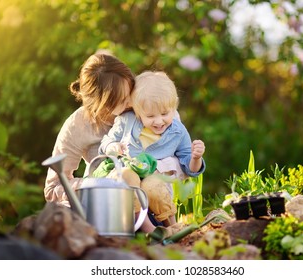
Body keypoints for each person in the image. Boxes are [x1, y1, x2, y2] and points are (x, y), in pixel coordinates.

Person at [99, 71, 206, 233]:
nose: (158, 121)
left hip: (151, 179)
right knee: (128, 175)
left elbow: (189, 168)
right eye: (150, 116)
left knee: (153, 183)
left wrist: (196, 158)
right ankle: (147, 228)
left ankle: (172, 225)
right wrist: (112, 146)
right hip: (124, 175)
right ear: (137, 111)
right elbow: (105, 142)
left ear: (174, 107)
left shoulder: (178, 132)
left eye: (164, 114)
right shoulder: (127, 121)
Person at [44, 52, 135, 206]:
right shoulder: (78, 125)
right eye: (121, 100)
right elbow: (53, 187)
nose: (131, 103)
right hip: (105, 207)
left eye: (131, 93)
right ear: (99, 103)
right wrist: (94, 185)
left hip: (151, 201)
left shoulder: (145, 103)